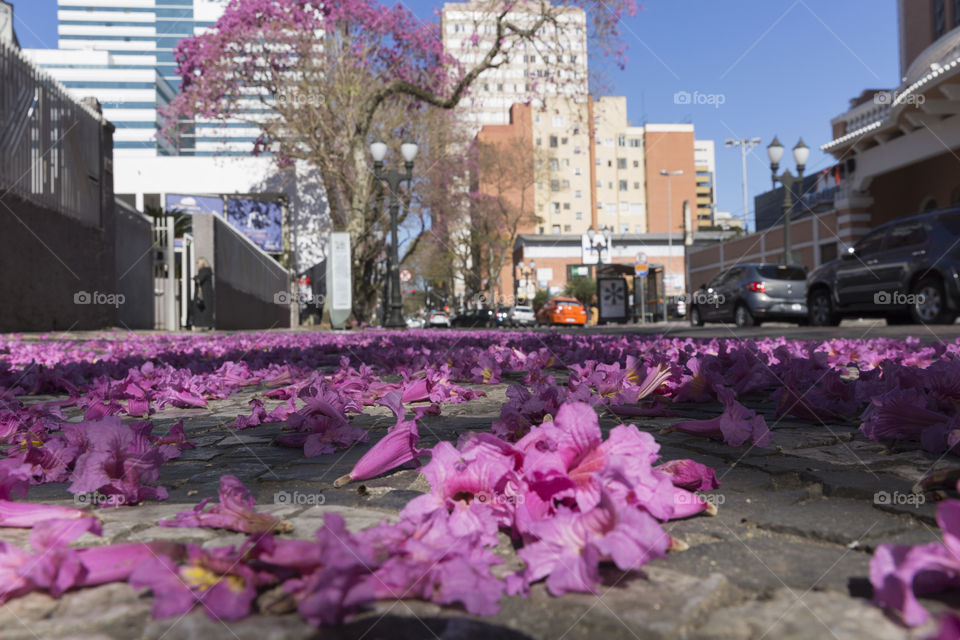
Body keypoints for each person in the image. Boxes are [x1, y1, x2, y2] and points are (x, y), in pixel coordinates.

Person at [192, 257, 214, 330]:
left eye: (198, 263)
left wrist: (195, 277)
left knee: (204, 310)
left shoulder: (205, 270)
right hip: (206, 294)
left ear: (202, 263)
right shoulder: (207, 270)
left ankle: (204, 325)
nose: (197, 265)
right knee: (205, 310)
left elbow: (199, 279)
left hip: (204, 295)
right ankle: (206, 325)